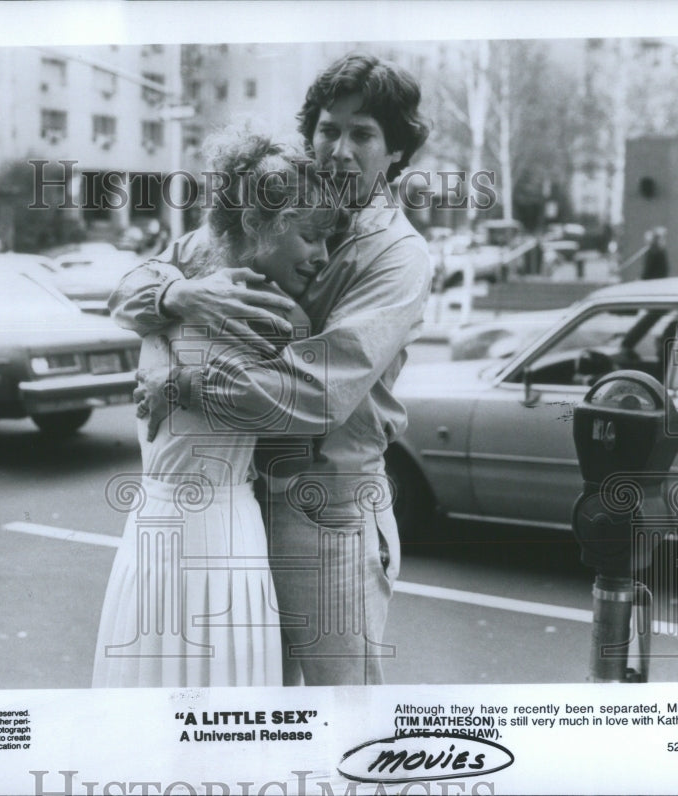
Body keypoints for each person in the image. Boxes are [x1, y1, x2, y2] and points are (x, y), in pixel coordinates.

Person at [109, 53, 432, 686]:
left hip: (327, 514)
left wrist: (182, 382)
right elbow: (128, 289)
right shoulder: (266, 216)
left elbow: (314, 394)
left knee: (343, 716)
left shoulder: (397, 256)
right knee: (259, 708)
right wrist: (178, 296)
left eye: (363, 134)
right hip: (244, 507)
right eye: (327, 129)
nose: (339, 150)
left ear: (395, 152)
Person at [92, 128, 346, 688]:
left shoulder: (181, 281)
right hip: (217, 530)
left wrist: (178, 377)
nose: (322, 257)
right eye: (309, 237)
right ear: (259, 226)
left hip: (157, 523)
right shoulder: (267, 314)